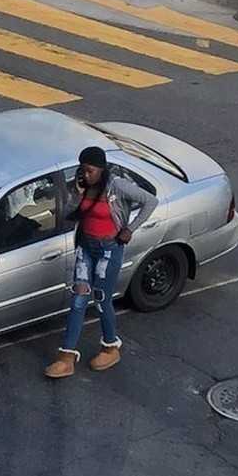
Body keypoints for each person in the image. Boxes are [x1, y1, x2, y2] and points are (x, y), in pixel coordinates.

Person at [45, 146, 158, 379]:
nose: (86, 175)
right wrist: (76, 194)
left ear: (101, 169)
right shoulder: (82, 187)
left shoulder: (116, 186)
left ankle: (110, 346)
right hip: (86, 247)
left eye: (90, 171)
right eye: (83, 170)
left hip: (108, 248)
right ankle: (66, 356)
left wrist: (130, 229)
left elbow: (150, 201)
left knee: (101, 298)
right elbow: (68, 213)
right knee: (78, 299)